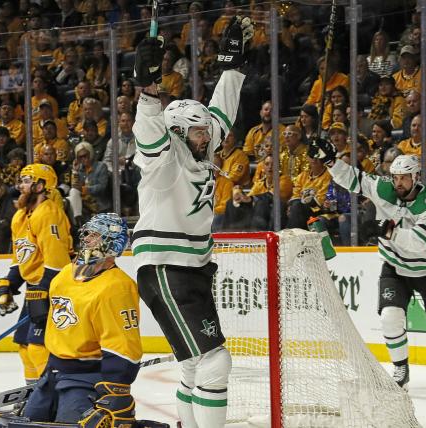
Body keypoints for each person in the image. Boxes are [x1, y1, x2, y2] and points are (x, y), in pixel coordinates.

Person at [131, 16, 251, 427]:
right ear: (180, 132)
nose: (210, 138)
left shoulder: (200, 141)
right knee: (216, 363)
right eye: (200, 134)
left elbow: (221, 113)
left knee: (194, 367)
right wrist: (148, 92)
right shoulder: (164, 157)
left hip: (193, 267)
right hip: (166, 265)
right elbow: (149, 135)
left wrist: (232, 66)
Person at [313, 140, 426, 393]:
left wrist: (388, 231)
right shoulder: (384, 187)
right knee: (390, 317)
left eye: (404, 178)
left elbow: (420, 242)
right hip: (395, 267)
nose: (398, 182)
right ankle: (401, 369)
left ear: (416, 177)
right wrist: (331, 161)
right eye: (395, 177)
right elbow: (355, 179)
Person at [12, 213, 143, 426]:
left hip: (87, 378)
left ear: (114, 244)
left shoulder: (117, 287)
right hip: (52, 373)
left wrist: (115, 391)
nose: (88, 239)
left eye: (96, 235)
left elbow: (123, 345)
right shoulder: (64, 274)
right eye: (88, 234)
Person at [0, 164, 73, 389]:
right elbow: (22, 257)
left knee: (39, 347)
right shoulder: (20, 216)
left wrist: (43, 293)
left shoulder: (49, 214)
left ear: (40, 186)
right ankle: (33, 395)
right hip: (36, 289)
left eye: (27, 181)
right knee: (24, 347)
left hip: (55, 289)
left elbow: (58, 263)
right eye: (22, 180)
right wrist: (8, 283)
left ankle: (52, 398)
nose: (21, 186)